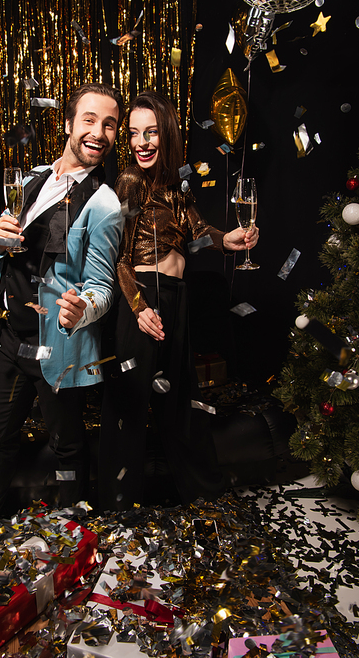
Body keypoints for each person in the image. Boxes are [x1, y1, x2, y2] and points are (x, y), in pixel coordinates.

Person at [98, 90, 259, 512]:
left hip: (174, 298)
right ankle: (118, 512)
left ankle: (204, 498)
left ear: (166, 133)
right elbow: (118, 260)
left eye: (150, 132)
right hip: (143, 300)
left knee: (180, 403)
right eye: (133, 134)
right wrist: (138, 307)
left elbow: (199, 232)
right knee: (129, 410)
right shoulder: (129, 181)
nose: (141, 142)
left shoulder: (175, 184)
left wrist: (231, 240)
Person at [0, 82, 125, 519]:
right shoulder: (30, 180)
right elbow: (2, 240)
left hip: (57, 347)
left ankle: (71, 534)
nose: (100, 132)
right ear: (67, 124)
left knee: (68, 447)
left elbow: (102, 288)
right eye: (90, 119)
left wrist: (83, 312)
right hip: (10, 340)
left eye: (110, 125)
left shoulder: (104, 204)